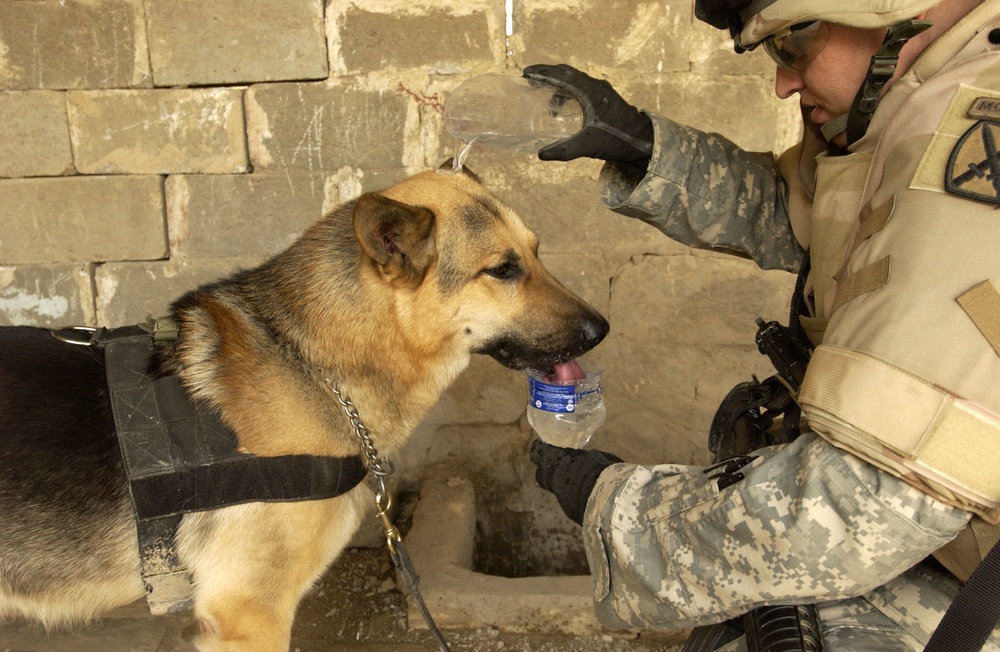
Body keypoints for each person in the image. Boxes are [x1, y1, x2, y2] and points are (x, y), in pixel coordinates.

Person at [525, 0, 1000, 650]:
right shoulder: (921, 98)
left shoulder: (974, 142)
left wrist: (611, 502)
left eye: (791, 46)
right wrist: (646, 146)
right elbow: (816, 219)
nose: (782, 82)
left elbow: (846, 516)